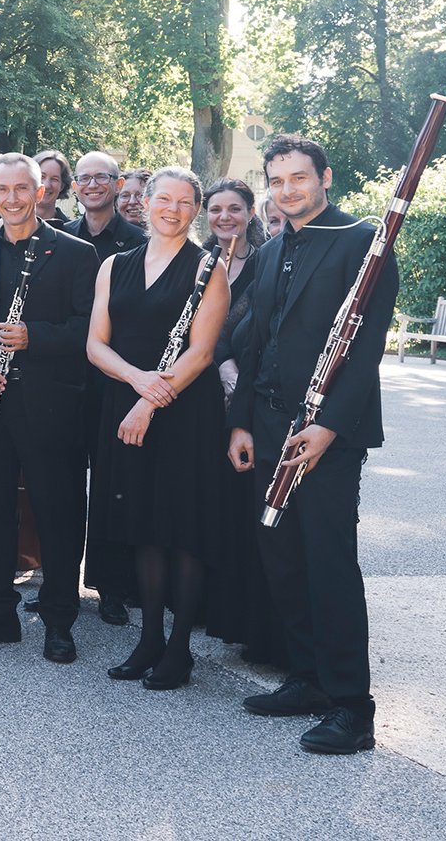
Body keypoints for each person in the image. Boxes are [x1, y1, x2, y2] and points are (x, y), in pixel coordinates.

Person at [227, 134, 395, 755]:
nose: (288, 189)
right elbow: (252, 346)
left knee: (328, 562)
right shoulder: (272, 251)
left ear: (325, 177)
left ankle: (353, 706)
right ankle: (308, 679)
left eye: (299, 177)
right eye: (278, 180)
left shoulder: (363, 242)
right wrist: (241, 423)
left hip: (327, 432)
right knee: (283, 557)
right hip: (269, 426)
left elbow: (368, 346)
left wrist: (330, 428)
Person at [0, 152, 97, 663]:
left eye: (20, 189)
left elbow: (87, 332)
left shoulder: (76, 254)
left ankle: (58, 620)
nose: (10, 199)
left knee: (57, 514)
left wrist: (34, 336)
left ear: (40, 192)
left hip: (50, 408)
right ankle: (0, 614)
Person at [86, 166, 231, 691]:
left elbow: (203, 352)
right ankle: (149, 638)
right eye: (163, 199)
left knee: (181, 530)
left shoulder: (207, 268)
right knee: (145, 525)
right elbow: (95, 345)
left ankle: (179, 649)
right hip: (126, 404)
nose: (172, 209)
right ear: (144, 203)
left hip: (184, 414)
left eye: (185, 202)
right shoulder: (114, 266)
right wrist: (137, 381)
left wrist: (150, 400)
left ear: (195, 210)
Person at [199, 178, 282, 664]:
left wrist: (232, 371)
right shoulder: (196, 260)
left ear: (250, 211)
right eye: (216, 209)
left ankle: (242, 615)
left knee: (240, 506)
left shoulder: (268, 260)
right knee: (205, 501)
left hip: (244, 395)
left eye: (235, 208)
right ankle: (203, 604)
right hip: (199, 395)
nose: (225, 217)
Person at [65, 150, 149, 626]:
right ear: (74, 187)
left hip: (118, 379)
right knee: (68, 487)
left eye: (103, 177)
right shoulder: (61, 239)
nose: (93, 185)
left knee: (115, 487)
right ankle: (64, 582)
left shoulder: (139, 241)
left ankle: (112, 587)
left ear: (118, 185)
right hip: (68, 383)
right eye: (85, 178)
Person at [34, 149, 74, 225]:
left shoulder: (71, 232)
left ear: (62, 186)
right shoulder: (8, 226)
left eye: (54, 179)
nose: (46, 185)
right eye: (42, 177)